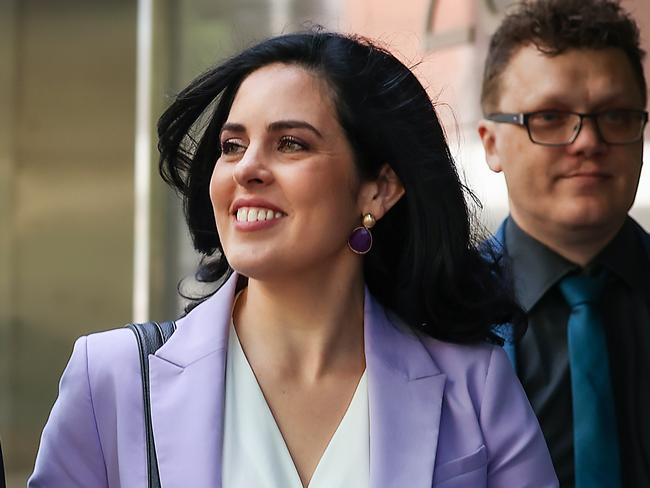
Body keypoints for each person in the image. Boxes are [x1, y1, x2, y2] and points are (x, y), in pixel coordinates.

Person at [29, 30, 557, 487]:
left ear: (378, 190)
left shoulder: (476, 387)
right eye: (232, 146)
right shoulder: (112, 378)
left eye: (289, 144)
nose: (247, 169)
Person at [478, 0, 649, 486]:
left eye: (615, 115)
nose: (588, 140)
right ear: (491, 144)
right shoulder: (428, 318)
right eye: (549, 117)